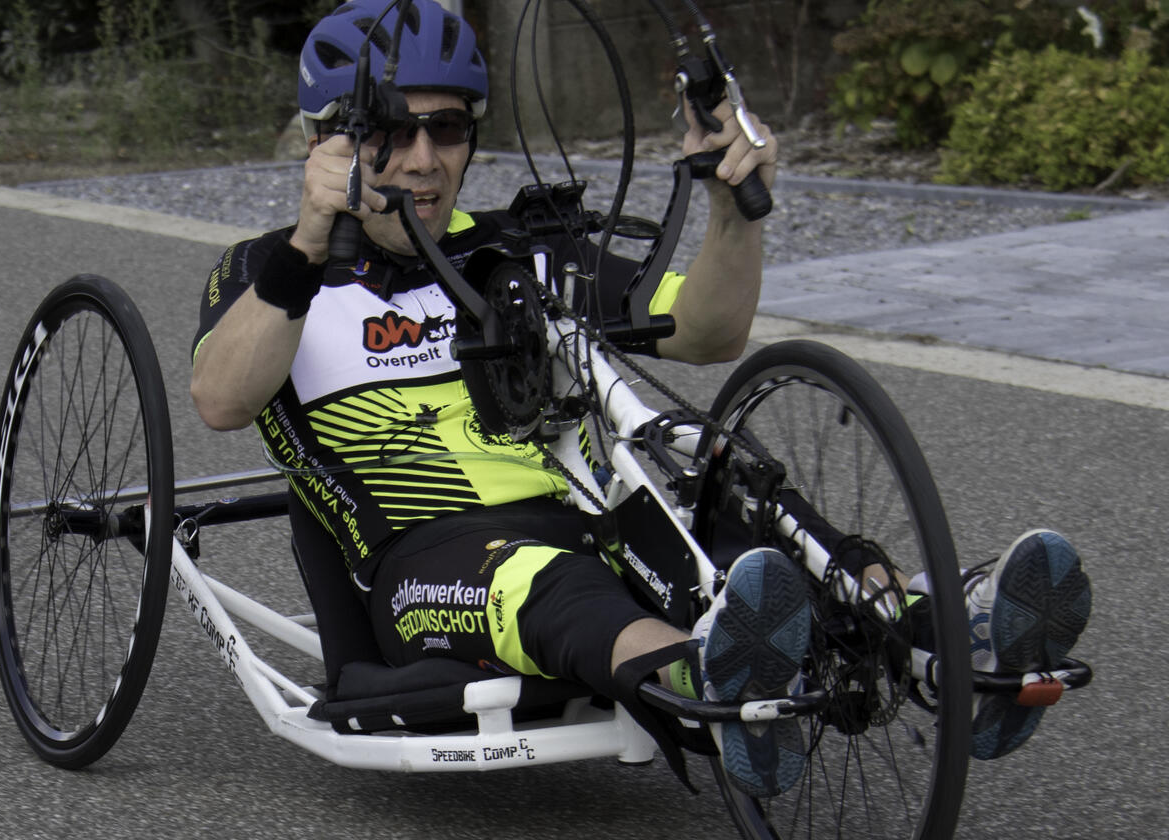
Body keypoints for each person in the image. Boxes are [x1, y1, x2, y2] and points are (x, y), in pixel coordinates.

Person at [189, 0, 1091, 795]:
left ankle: (933, 631)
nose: (427, 160)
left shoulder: (518, 253)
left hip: (592, 510)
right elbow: (223, 399)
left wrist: (731, 209)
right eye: (397, 130)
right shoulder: (271, 272)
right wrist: (310, 245)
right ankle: (706, 688)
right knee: (555, 583)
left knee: (730, 500)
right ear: (329, 139)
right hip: (427, 561)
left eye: (452, 129)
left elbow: (704, 332)